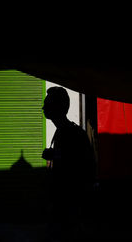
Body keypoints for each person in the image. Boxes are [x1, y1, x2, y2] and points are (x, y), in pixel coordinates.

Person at [42, 87, 96, 241]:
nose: (43, 107)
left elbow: (80, 166)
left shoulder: (73, 133)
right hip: (63, 204)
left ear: (59, 107)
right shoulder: (62, 132)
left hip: (70, 205)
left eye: (47, 104)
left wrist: (55, 156)